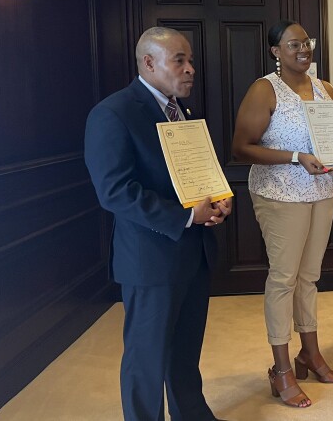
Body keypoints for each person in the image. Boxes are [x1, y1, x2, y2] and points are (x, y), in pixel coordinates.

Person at [84, 27, 232, 421]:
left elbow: (195, 174)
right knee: (146, 359)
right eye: (179, 60)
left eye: (190, 60)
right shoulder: (112, 113)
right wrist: (185, 215)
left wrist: (219, 196)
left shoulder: (184, 112)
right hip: (150, 259)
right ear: (148, 63)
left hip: (193, 253)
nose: (191, 70)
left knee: (185, 352)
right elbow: (114, 191)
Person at [231, 20, 333, 408]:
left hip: (323, 192)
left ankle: (309, 353)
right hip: (280, 194)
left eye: (306, 42)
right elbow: (241, 147)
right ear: (276, 51)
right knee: (284, 278)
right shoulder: (265, 89)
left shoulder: (325, 89)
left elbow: (332, 139)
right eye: (293, 44)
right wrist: (297, 158)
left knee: (309, 277)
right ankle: (281, 370)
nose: (303, 49)